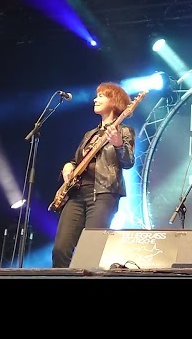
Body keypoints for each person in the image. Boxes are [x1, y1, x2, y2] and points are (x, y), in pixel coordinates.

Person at [52, 82, 135, 268]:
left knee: (90, 251)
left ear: (114, 101)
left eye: (101, 96)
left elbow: (128, 162)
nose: (95, 100)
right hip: (76, 194)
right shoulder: (90, 134)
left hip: (103, 194)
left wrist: (118, 144)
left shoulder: (124, 131)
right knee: (60, 249)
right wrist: (67, 166)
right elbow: (76, 161)